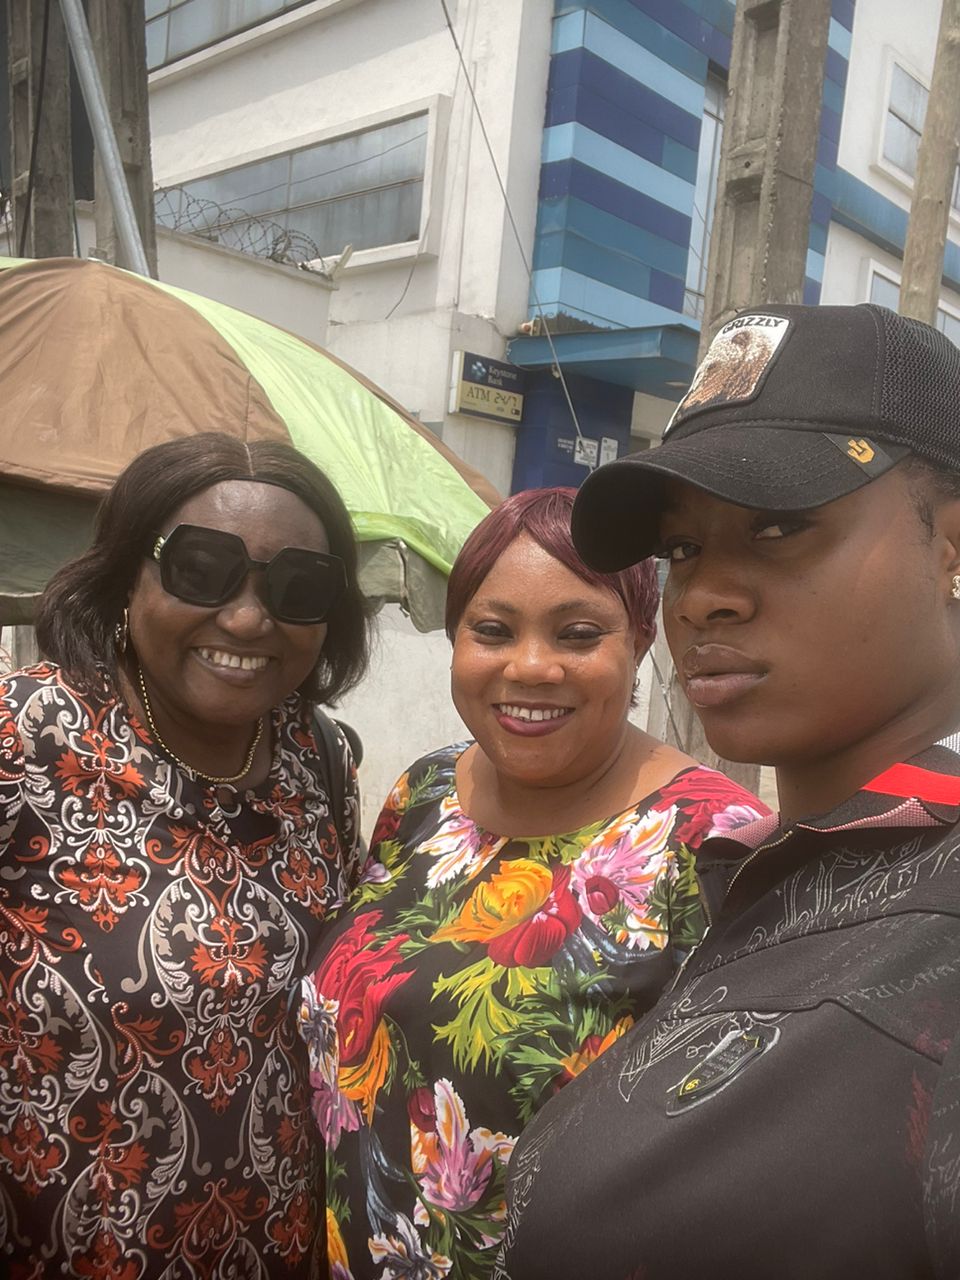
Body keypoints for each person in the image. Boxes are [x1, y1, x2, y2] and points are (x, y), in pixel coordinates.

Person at [493, 303, 960, 1280]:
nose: (704, 596)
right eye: (683, 549)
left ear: (952, 546)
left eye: (780, 527)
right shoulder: (781, 859)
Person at [299, 487, 768, 1279]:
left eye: (578, 634)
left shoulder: (716, 845)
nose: (531, 666)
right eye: (493, 630)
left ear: (641, 637)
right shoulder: (425, 792)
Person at [0, 433, 370, 1279]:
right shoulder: (22, 741)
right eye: (201, 569)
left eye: (297, 587)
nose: (246, 619)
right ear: (125, 576)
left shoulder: (319, 759)